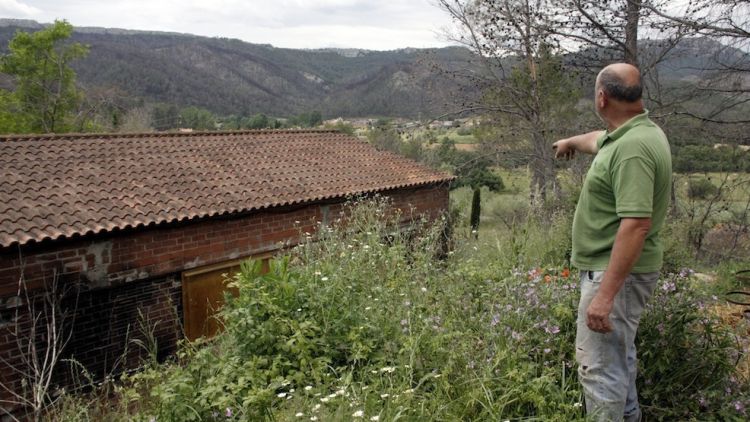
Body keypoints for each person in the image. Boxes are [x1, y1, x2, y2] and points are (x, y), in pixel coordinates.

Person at [553, 63, 672, 422]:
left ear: (602, 97)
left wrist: (605, 296)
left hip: (614, 276)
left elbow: (636, 225)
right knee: (620, 362)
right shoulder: (632, 132)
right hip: (619, 274)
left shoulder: (633, 149)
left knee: (601, 372)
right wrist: (571, 142)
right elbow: (596, 140)